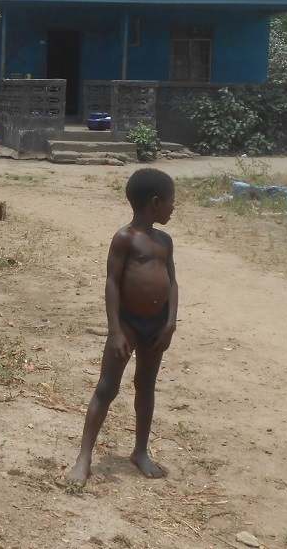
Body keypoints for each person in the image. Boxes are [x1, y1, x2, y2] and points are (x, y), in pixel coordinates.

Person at [67, 167, 178, 486]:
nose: (174, 207)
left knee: (146, 386)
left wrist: (170, 322)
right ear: (155, 203)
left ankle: (140, 452)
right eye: (171, 202)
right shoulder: (125, 238)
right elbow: (112, 283)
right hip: (127, 324)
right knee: (107, 387)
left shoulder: (165, 241)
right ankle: (84, 457)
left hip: (156, 326)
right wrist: (115, 330)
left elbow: (172, 282)